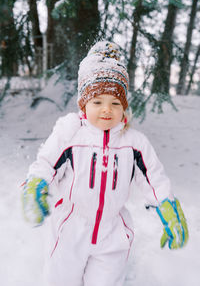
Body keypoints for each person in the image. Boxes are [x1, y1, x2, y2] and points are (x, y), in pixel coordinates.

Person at [22, 41, 188, 286]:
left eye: (115, 103)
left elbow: (154, 178)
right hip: (70, 228)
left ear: (124, 107)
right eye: (97, 102)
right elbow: (46, 163)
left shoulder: (134, 143)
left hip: (113, 232)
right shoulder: (70, 135)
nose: (106, 110)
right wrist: (36, 185)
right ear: (83, 104)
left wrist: (167, 206)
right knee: (60, 279)